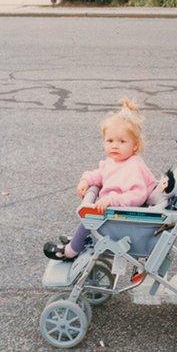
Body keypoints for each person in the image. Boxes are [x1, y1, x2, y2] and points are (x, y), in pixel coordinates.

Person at [43, 98, 159, 261]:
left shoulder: (134, 167)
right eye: (110, 141)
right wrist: (86, 181)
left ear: (135, 146)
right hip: (114, 213)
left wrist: (113, 199)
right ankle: (80, 239)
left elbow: (137, 195)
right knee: (92, 214)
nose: (114, 146)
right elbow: (100, 174)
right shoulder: (114, 161)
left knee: (90, 217)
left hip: (125, 216)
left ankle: (70, 251)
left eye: (122, 141)